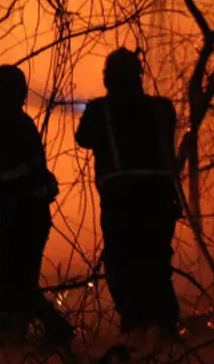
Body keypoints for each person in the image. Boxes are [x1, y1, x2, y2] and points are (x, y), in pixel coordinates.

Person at [74, 48, 182, 339]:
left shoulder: (100, 111)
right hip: (159, 200)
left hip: (121, 202)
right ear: (138, 77)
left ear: (108, 79)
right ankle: (162, 332)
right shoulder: (161, 108)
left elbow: (83, 138)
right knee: (156, 266)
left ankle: (138, 331)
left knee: (123, 267)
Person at [0, 65, 76, 350]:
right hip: (23, 213)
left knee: (7, 284)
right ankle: (26, 336)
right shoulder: (6, 121)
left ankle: (22, 339)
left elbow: (10, 168)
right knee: (12, 283)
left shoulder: (4, 123)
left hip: (24, 214)